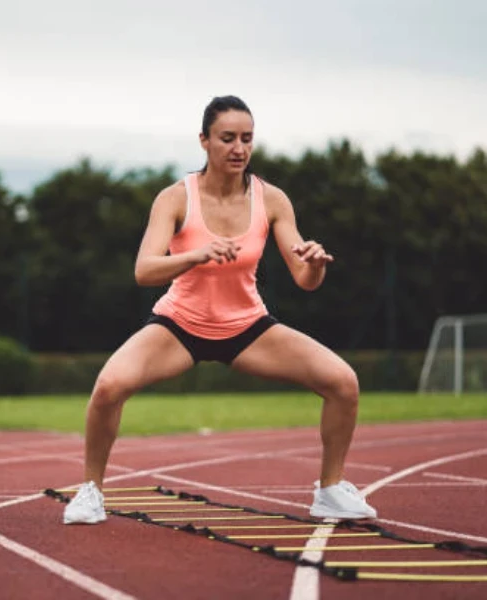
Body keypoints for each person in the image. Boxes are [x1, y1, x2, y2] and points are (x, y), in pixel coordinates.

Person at [63, 95, 376, 524]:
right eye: (227, 138)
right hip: (180, 325)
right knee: (108, 388)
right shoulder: (175, 199)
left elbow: (304, 280)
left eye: (247, 139)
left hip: (247, 327)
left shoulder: (272, 200)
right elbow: (144, 270)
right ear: (204, 141)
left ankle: (330, 491)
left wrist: (316, 266)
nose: (239, 148)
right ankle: (90, 492)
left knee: (343, 382)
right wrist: (197, 255)